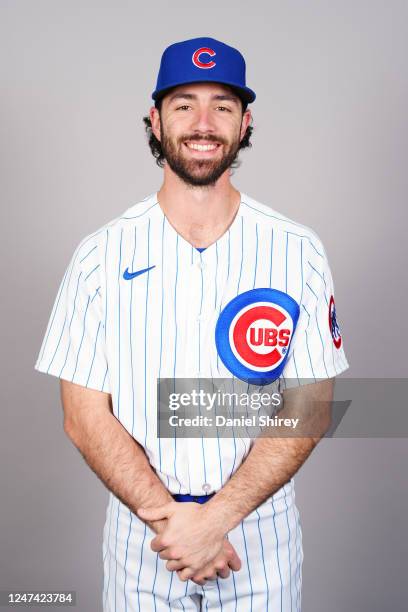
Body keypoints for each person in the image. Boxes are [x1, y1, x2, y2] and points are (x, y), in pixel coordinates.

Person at [35, 36, 349, 611]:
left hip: (258, 535)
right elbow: (82, 417)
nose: (203, 123)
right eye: (183, 105)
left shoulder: (296, 249)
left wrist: (217, 520)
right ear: (155, 120)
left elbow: (312, 405)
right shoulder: (100, 254)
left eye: (222, 106)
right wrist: (176, 525)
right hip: (146, 537)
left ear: (245, 122)